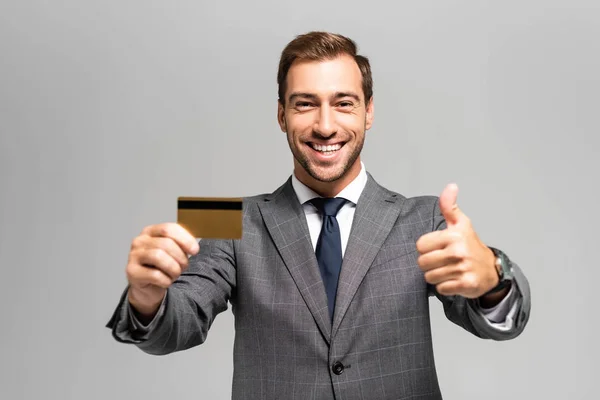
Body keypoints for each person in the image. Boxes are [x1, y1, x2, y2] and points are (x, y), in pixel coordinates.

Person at [106, 31, 531, 400]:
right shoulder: (223, 217)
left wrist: (493, 278)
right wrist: (146, 296)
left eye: (343, 103)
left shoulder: (425, 217)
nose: (325, 126)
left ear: (369, 112)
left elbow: (503, 325)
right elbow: (173, 327)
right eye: (305, 104)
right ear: (281, 115)